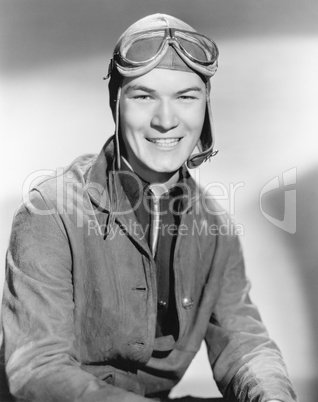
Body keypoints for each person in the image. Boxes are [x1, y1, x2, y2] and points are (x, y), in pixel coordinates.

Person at [1, 13, 297, 402]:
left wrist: (274, 397)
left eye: (186, 97)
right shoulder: (51, 212)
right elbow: (37, 370)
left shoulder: (216, 228)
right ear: (117, 104)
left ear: (205, 109)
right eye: (144, 96)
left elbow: (244, 342)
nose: (166, 120)